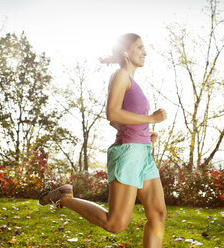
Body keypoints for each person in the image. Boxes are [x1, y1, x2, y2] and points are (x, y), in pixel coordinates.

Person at [39, 33, 167, 248]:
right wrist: (151, 119)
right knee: (115, 224)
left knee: (158, 214)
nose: (145, 52)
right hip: (128, 154)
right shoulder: (120, 76)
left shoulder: (133, 82)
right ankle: (65, 198)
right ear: (126, 52)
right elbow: (112, 113)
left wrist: (145, 133)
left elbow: (119, 122)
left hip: (143, 154)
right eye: (139, 47)